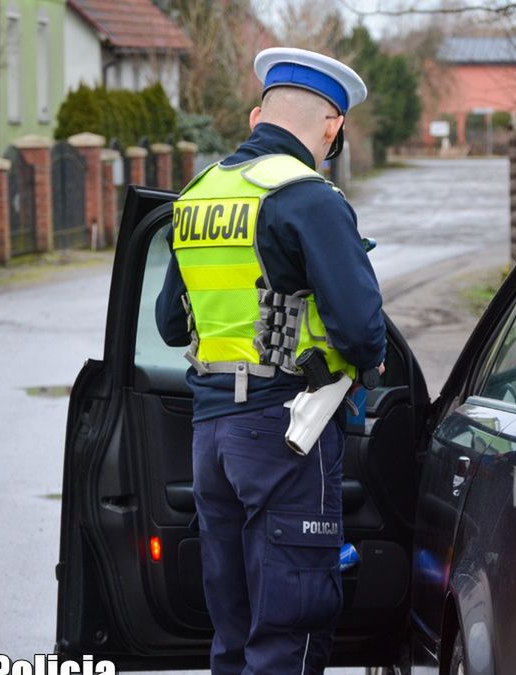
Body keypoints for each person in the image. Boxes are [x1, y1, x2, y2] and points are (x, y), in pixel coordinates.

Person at [154, 47, 386, 675]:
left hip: (210, 437)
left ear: (260, 114)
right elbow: (363, 331)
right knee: (291, 625)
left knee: (233, 626)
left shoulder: (200, 194)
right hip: (286, 434)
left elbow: (171, 323)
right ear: (332, 125)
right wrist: (364, 369)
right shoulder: (309, 197)